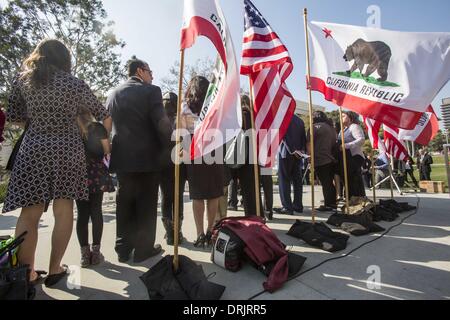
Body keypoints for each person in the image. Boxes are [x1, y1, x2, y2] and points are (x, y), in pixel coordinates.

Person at [4, 39, 111, 286]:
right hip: (68, 150)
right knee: (64, 210)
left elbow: (16, 118)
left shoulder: (23, 80)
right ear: (65, 59)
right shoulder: (74, 84)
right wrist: (103, 145)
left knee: (29, 213)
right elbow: (103, 114)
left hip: (33, 148)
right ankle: (55, 269)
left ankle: (26, 274)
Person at [107, 57, 171, 263]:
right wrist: (171, 146)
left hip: (122, 160)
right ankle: (143, 250)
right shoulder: (151, 91)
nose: (152, 76)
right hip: (147, 159)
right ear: (140, 70)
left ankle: (122, 249)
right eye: (150, 71)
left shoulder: (112, 93)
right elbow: (161, 123)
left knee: (124, 203)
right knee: (146, 205)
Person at [181, 76, 224, 248]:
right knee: (213, 194)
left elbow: (182, 132)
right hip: (213, 147)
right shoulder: (216, 103)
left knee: (198, 195)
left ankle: (200, 234)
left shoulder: (184, 107)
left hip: (194, 150)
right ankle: (209, 230)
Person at [75, 109, 114, 267]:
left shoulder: (72, 128)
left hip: (78, 173)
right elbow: (107, 150)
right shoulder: (97, 127)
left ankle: (85, 256)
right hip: (96, 173)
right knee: (96, 211)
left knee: (82, 214)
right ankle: (96, 254)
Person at [159, 92, 187, 245]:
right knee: (177, 197)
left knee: (166, 197)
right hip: (176, 164)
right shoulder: (180, 120)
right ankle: (175, 232)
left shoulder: (159, 120)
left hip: (165, 165)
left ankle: (170, 233)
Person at [275, 114, 306, 215]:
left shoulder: (283, 117)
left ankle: (287, 207)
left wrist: (293, 150)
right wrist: (301, 151)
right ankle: (298, 205)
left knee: (284, 180)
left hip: (285, 153)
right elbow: (303, 138)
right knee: (297, 181)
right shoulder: (300, 121)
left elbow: (283, 136)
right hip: (298, 154)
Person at [307, 111, 338, 211]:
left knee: (325, 183)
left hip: (320, 158)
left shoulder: (314, 127)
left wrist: (309, 157)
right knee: (329, 182)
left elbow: (309, 144)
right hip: (331, 158)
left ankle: (329, 204)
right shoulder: (331, 128)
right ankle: (332, 203)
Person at [338, 111, 366, 198]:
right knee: (348, 180)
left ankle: (356, 199)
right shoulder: (343, 129)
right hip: (346, 158)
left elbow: (361, 140)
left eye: (343, 116)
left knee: (353, 179)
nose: (341, 117)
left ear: (350, 117)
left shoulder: (354, 127)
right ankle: (350, 199)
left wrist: (346, 146)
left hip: (354, 157)